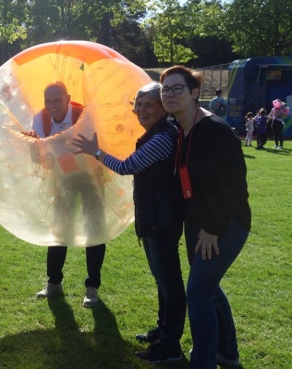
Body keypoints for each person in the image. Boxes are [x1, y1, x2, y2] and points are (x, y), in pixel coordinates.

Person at [73, 82, 185, 363]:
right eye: (138, 104)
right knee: (162, 281)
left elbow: (127, 167)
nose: (142, 110)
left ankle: (170, 345)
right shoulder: (157, 133)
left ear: (162, 108)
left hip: (161, 219)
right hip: (155, 217)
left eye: (149, 104)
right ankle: (162, 332)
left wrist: (95, 151)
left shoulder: (162, 137)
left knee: (170, 284)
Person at [160, 66, 251, 369]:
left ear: (194, 93)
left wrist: (212, 228)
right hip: (197, 223)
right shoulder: (180, 127)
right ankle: (227, 353)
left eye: (177, 89)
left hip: (224, 223)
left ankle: (203, 363)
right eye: (165, 89)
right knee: (207, 290)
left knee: (198, 295)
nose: (169, 94)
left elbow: (233, 183)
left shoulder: (213, 129)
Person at [23, 82, 106, 307]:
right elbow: (39, 159)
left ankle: (92, 287)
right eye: (47, 100)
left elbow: (92, 149)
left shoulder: (83, 114)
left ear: (68, 98)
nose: (52, 106)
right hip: (62, 179)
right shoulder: (40, 119)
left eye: (57, 100)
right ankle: (54, 283)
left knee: (94, 229)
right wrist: (33, 146)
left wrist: (57, 147)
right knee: (59, 230)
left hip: (91, 177)